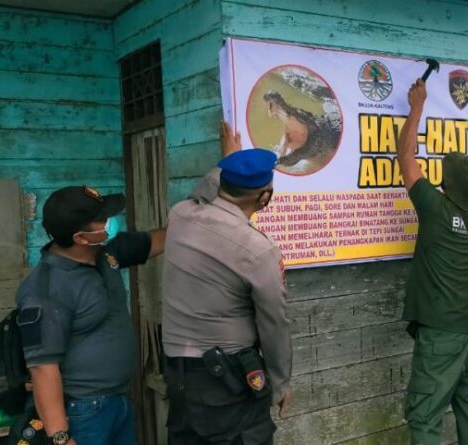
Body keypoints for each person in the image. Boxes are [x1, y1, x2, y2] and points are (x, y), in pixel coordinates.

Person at [162, 122, 292, 445]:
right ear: (265, 198)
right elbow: (274, 323)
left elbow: (203, 193)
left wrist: (228, 162)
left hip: (178, 375)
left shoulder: (180, 215)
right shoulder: (258, 250)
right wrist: (280, 384)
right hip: (228, 381)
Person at [15, 185, 166, 445]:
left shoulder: (105, 254)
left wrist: (194, 218)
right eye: (103, 219)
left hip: (119, 401)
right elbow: (42, 369)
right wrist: (61, 437)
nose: (111, 222)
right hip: (83, 412)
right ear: (81, 237)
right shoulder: (46, 291)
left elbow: (152, 242)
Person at [397, 79, 468, 445]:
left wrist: (416, 108)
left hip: (441, 334)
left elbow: (405, 158)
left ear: (447, 182)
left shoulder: (436, 210)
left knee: (425, 417)